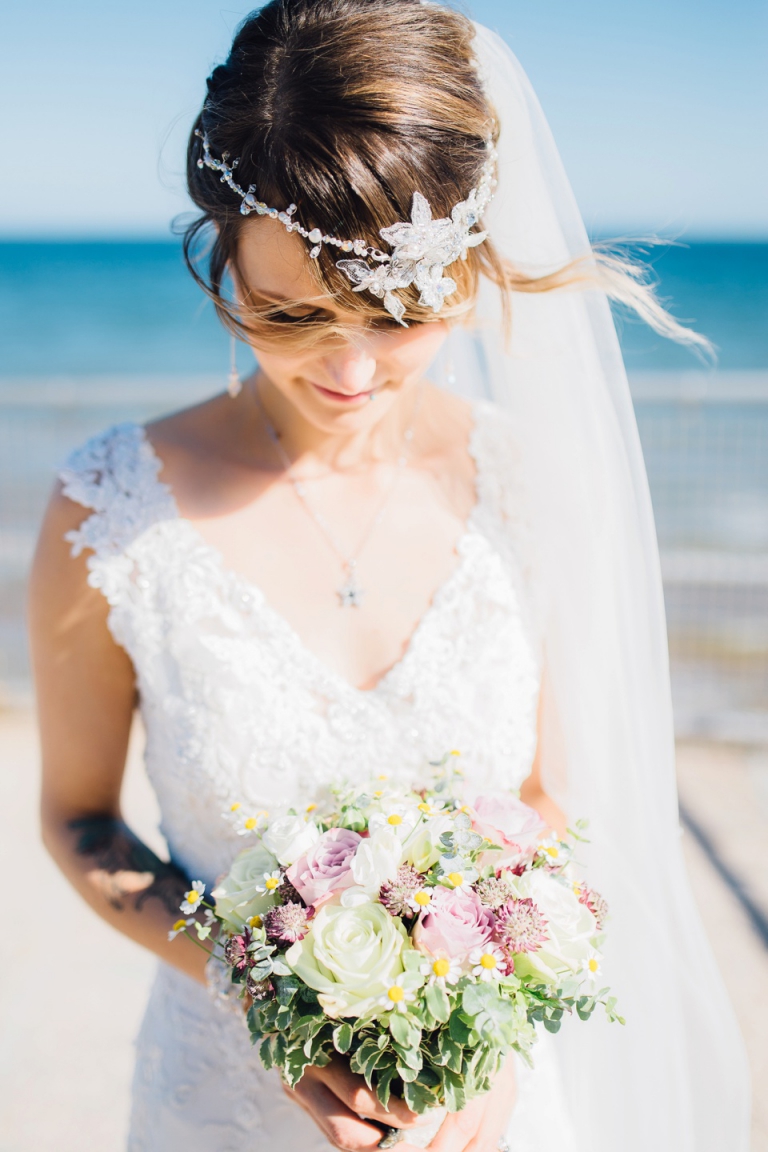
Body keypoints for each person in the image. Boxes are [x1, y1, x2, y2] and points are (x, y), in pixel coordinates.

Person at [29, 2, 750, 1150]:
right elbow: (80, 822)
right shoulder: (109, 511)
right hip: (216, 1102)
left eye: (399, 312)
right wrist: (257, 982)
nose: (352, 366)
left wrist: (493, 1040)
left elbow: (566, 804)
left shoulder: (536, 487)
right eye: (290, 313)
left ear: (469, 261)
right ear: (220, 252)